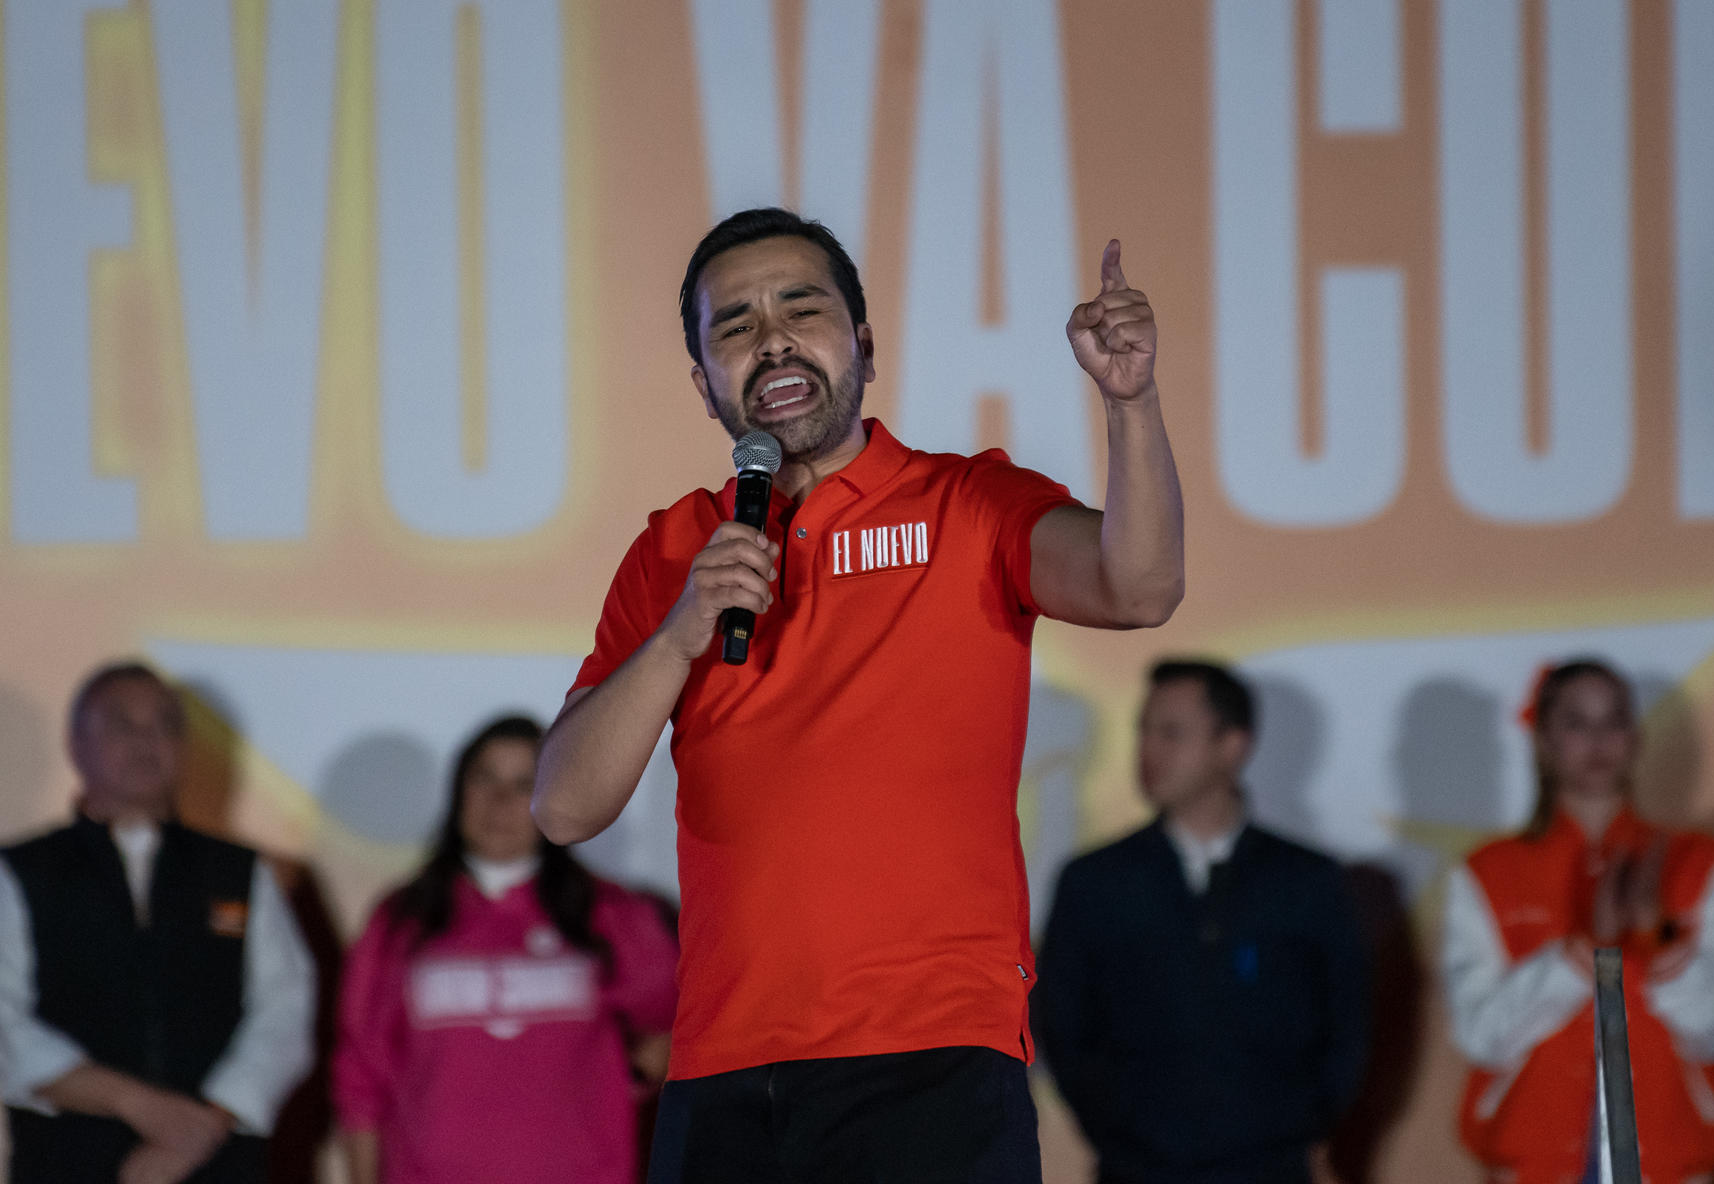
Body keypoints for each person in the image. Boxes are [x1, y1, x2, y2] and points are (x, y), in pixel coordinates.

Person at [531, 206, 1186, 1182]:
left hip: (929, 1058)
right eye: (736, 325)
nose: (773, 339)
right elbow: (564, 803)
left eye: (802, 306)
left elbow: (1138, 588)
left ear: (865, 346)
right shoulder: (674, 548)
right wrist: (681, 630)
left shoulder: (967, 501)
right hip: (724, 1071)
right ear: (704, 383)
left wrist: (1130, 404)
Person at [0, 661, 315, 1184]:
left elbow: (285, 1015)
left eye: (166, 725)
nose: (147, 741)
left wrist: (196, 1134)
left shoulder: (240, 874)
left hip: (215, 1160)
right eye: (123, 725)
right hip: (66, 1162)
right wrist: (138, 1105)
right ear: (76, 745)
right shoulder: (19, 872)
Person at [1036, 659, 1370, 1184]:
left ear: (1232, 746)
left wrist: (1301, 1121)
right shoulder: (1095, 882)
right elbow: (1062, 1023)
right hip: (1137, 1168)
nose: (1148, 751)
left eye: (1171, 733)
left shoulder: (1307, 881)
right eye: (1143, 731)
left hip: (1271, 1166)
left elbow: (1346, 1021)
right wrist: (1118, 1124)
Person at [1443, 659, 1714, 1184]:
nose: (1597, 740)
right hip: (1535, 1154)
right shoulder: (1489, 872)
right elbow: (1482, 1033)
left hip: (1670, 1155)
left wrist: (1658, 942)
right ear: (1542, 737)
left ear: (1634, 738)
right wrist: (1581, 953)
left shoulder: (1701, 863)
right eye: (1576, 723)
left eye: (1613, 721)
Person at [331, 715, 679, 1184]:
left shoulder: (611, 914)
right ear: (458, 792)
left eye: (523, 783)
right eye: (484, 778)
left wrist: (624, 1081)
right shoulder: (402, 920)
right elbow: (360, 1077)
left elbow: (673, 1026)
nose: (501, 802)